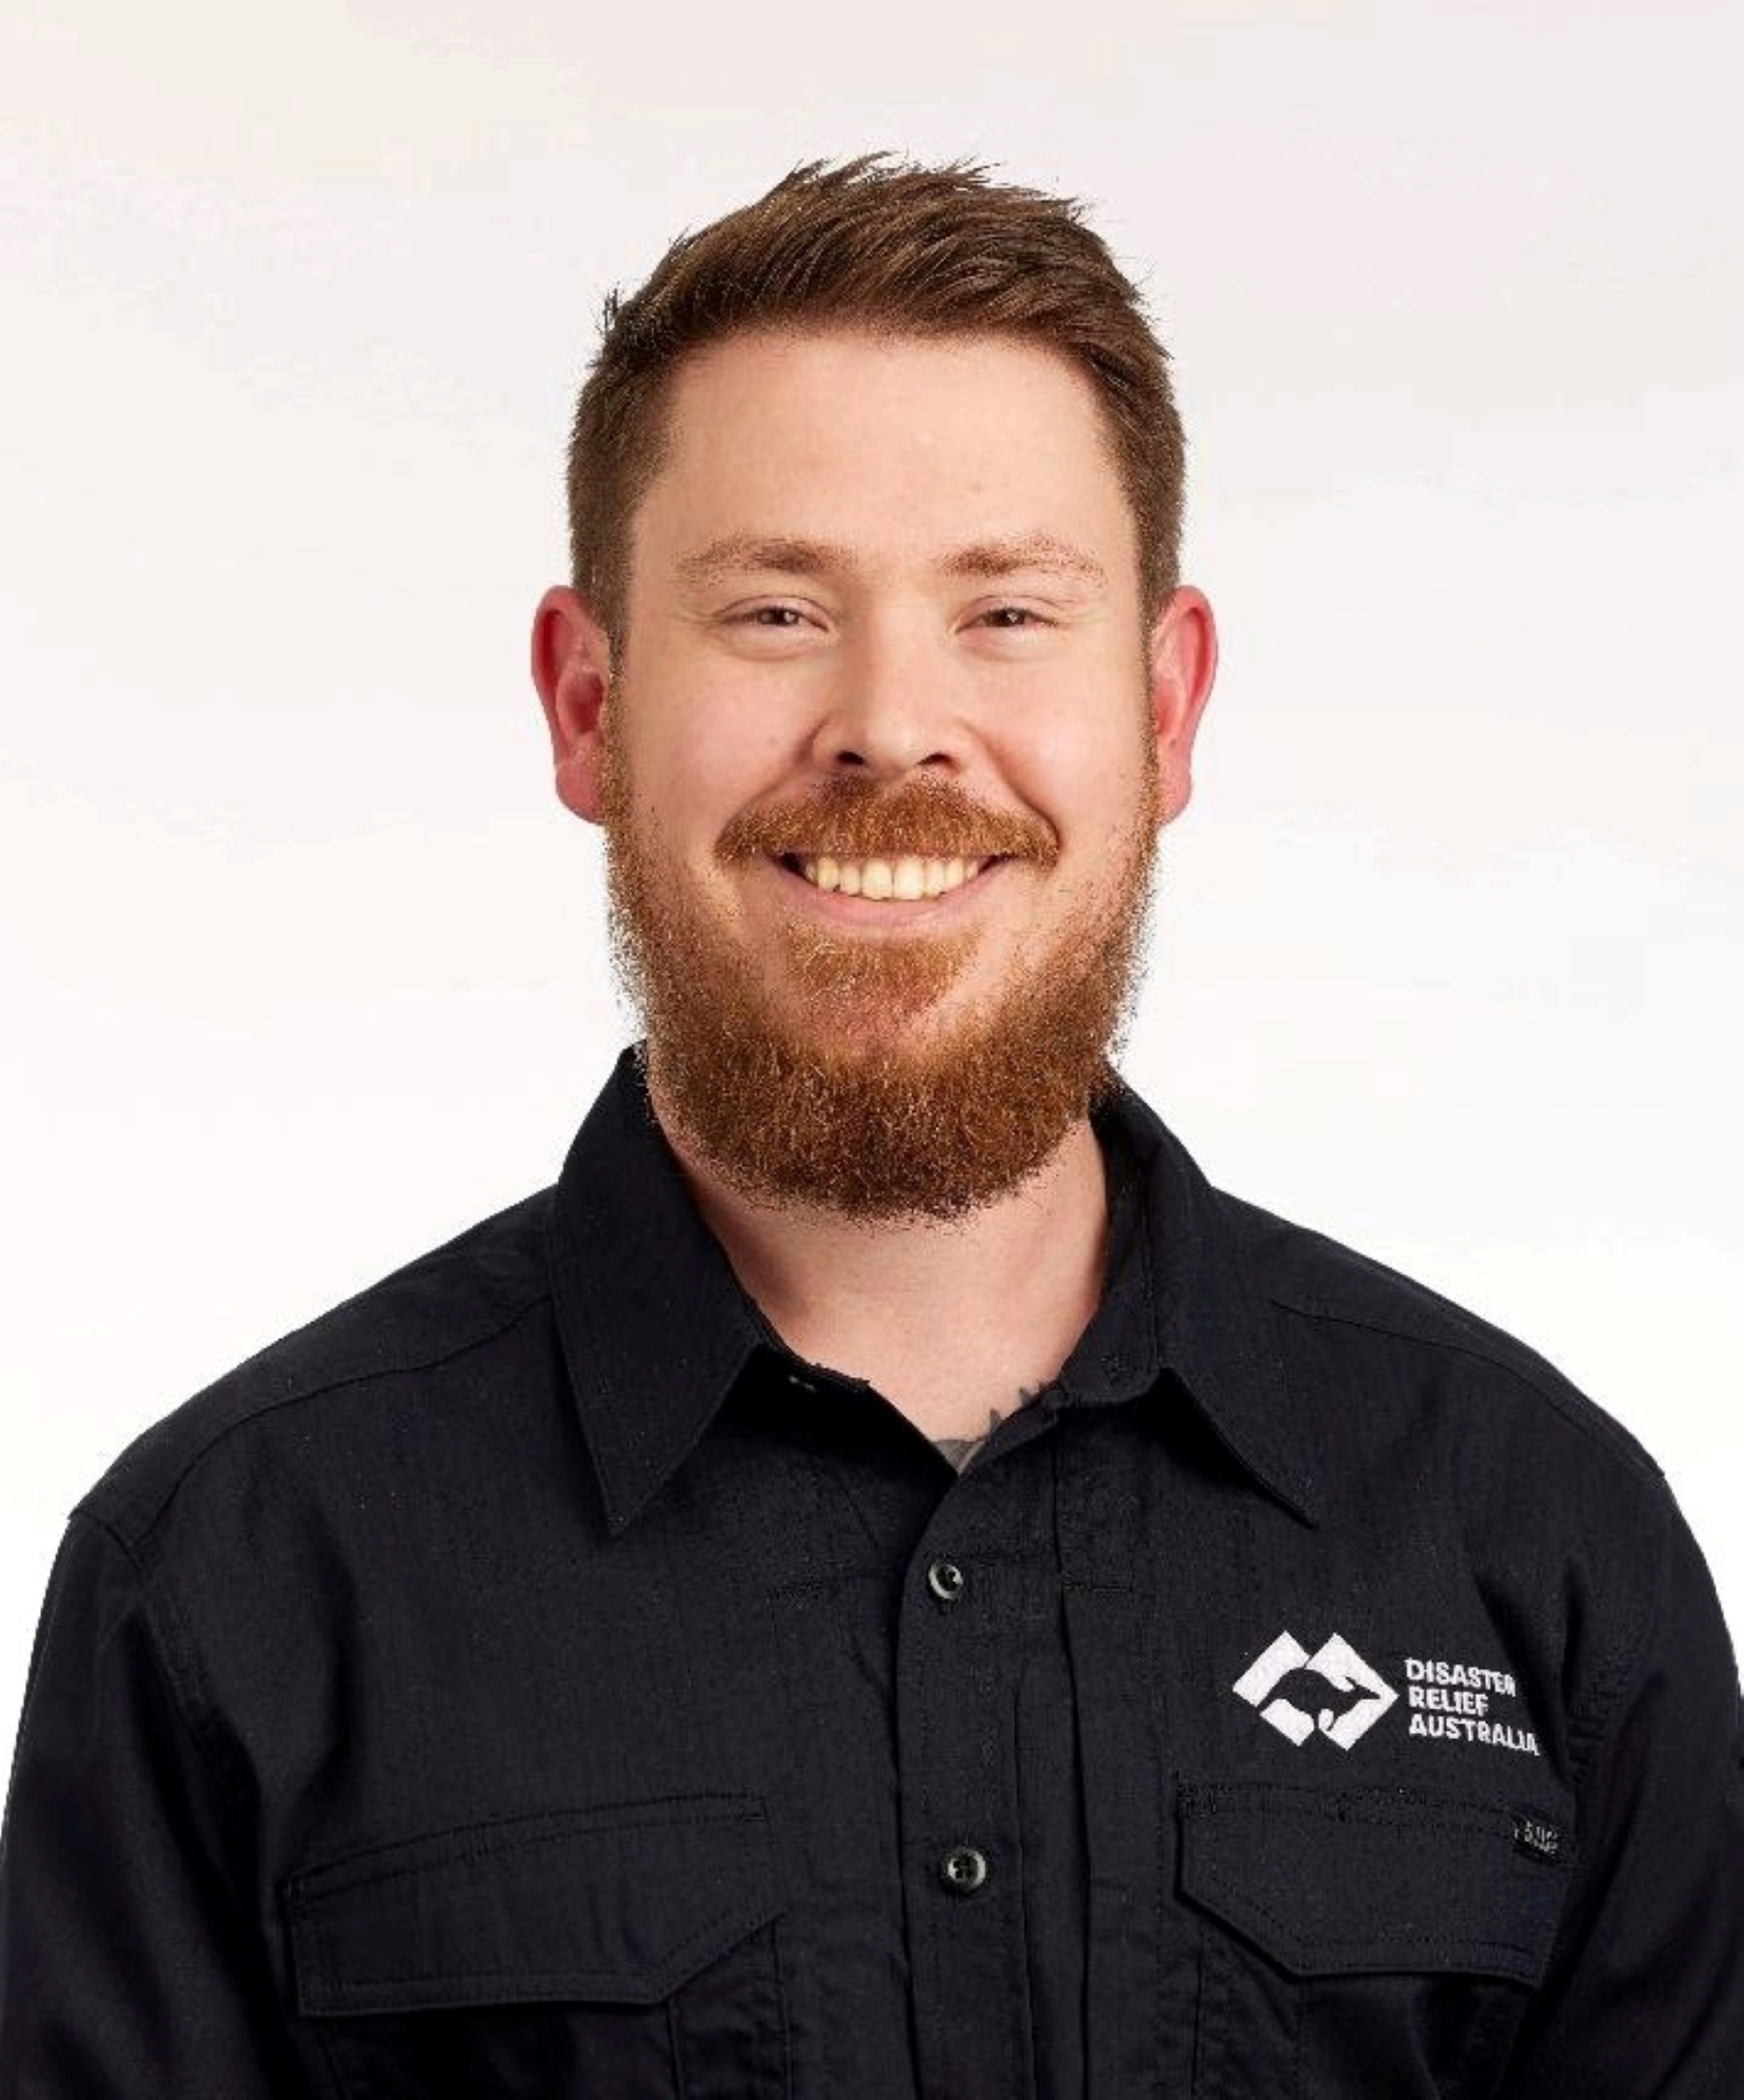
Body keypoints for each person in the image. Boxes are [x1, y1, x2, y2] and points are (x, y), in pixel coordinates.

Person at [0, 154, 1738, 2097]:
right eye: (771, 609)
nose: (892, 726)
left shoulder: (1538, 1537)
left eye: (1005, 608)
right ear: (588, 705)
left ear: (1165, 710)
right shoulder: (230, 1575)